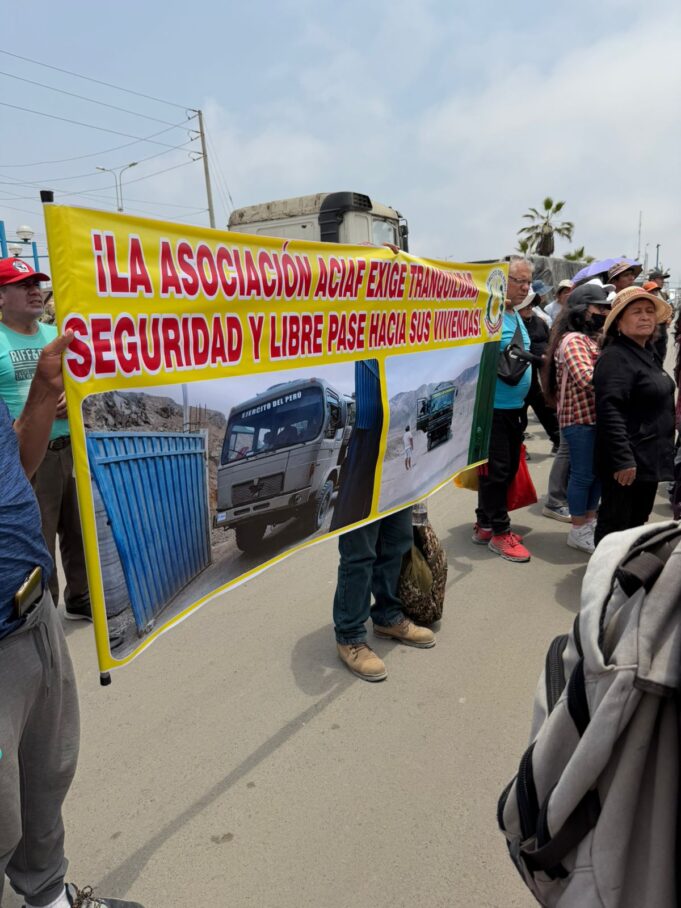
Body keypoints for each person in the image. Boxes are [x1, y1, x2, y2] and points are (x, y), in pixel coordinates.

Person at [0, 331, 144, 908]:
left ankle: (49, 898)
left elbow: (16, 462)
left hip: (32, 614)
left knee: (45, 781)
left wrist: (41, 394)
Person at [0, 258, 90, 620]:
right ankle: (45, 615)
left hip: (71, 447)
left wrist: (73, 391)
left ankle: (82, 599)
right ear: (1, 296)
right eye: (23, 285)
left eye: (37, 284)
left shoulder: (58, 335)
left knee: (80, 530)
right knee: (39, 537)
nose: (35, 291)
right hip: (28, 458)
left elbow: (85, 378)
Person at [593, 287, 675, 545]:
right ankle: (605, 578)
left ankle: (625, 576)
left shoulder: (644, 353)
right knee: (616, 525)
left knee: (636, 524)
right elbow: (610, 410)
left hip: (647, 458)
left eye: (650, 312)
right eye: (636, 312)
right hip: (628, 462)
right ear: (619, 322)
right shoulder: (616, 357)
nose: (645, 317)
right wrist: (623, 460)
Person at [542, 283, 611, 554]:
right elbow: (586, 378)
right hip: (578, 420)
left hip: (595, 418)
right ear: (582, 311)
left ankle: (589, 522)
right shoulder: (573, 340)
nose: (604, 313)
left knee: (596, 476)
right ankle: (578, 528)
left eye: (606, 308)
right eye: (599, 308)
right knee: (582, 476)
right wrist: (619, 378)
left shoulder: (592, 338)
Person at [473, 256, 533, 563]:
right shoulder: (488, 312)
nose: (525, 288)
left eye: (527, 282)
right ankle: (499, 532)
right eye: (518, 281)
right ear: (500, 279)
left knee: (503, 470)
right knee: (497, 472)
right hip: (493, 409)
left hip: (513, 409)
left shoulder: (514, 314)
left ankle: (485, 522)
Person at [516, 291, 560, 454]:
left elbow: (550, 340)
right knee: (519, 415)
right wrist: (537, 359)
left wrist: (549, 356)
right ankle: (519, 448)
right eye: (525, 305)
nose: (529, 308)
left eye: (531, 304)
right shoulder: (513, 324)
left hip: (541, 374)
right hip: (522, 374)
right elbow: (517, 351)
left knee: (547, 410)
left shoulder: (539, 322)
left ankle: (558, 441)